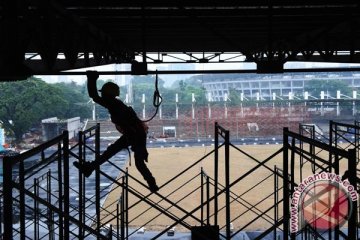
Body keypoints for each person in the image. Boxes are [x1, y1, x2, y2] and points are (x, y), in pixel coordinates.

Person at [74, 71, 159, 192]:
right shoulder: (115, 103)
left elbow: (93, 96)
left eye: (103, 93)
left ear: (108, 94)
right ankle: (90, 167)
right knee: (124, 156)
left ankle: (152, 183)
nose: (102, 95)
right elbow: (95, 96)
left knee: (134, 160)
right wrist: (92, 78)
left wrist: (91, 79)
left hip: (134, 134)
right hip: (135, 133)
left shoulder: (113, 104)